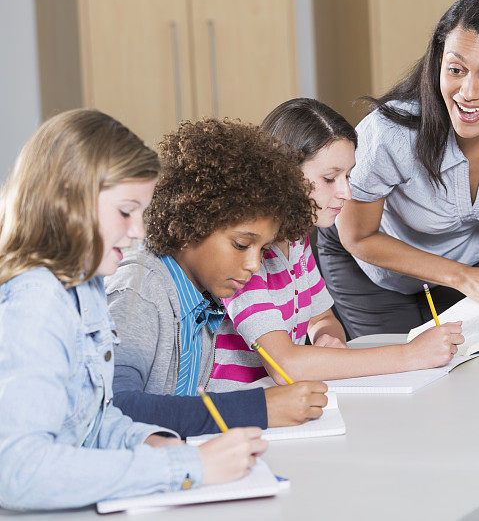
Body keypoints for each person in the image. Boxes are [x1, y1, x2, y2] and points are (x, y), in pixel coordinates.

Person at [0, 109, 266, 510]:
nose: (139, 230)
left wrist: (147, 442)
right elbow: (19, 473)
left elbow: (89, 422)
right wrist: (182, 467)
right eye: (126, 212)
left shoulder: (85, 286)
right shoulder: (37, 306)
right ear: (66, 203)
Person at [317, 0, 479, 338]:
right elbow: (359, 236)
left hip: (470, 256)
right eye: (455, 70)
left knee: (475, 364)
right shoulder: (390, 133)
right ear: (439, 63)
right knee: (403, 367)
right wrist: (462, 277)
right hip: (369, 259)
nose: (467, 91)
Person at [208, 98, 463, 388]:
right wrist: (411, 355)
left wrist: (325, 337)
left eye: (348, 176)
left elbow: (321, 317)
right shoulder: (245, 252)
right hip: (239, 411)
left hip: (286, 400)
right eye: (330, 178)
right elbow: (285, 366)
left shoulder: (296, 238)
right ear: (282, 174)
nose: (346, 193)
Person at [105, 118, 329, 437]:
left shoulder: (204, 293)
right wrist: (258, 409)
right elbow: (115, 407)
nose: (253, 265)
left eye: (262, 248)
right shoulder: (140, 293)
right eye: (241, 244)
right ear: (192, 220)